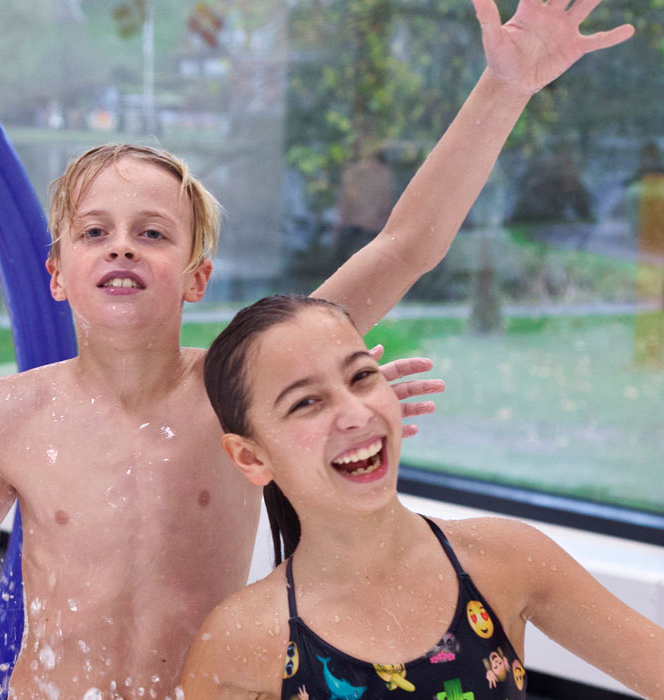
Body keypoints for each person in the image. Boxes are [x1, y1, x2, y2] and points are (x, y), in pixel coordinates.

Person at [0, 1, 634, 697]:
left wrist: (504, 87)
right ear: (56, 273)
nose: (121, 246)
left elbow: (406, 245)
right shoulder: (7, 415)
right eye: (94, 232)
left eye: (153, 233)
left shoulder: (242, 390)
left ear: (197, 276)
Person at [182, 294, 664, 699]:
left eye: (361, 377)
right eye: (306, 402)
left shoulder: (509, 560)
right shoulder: (241, 639)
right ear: (250, 458)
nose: (354, 413)